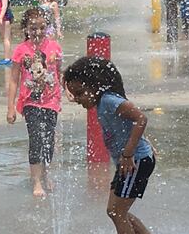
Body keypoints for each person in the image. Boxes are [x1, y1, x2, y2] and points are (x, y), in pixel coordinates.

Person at [64, 56, 155, 234]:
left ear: (95, 85)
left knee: (117, 212)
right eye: (74, 95)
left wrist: (129, 154)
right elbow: (129, 124)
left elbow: (140, 118)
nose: (77, 99)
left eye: (80, 93)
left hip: (134, 161)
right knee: (115, 211)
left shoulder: (109, 100)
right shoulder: (101, 102)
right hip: (129, 162)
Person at [6, 8, 63, 197]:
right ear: (26, 29)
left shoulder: (54, 47)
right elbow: (14, 80)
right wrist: (11, 107)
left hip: (51, 101)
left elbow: (59, 74)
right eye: (33, 28)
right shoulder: (21, 50)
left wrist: (68, 90)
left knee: (49, 141)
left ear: (46, 28)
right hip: (30, 101)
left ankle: (45, 174)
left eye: (41, 28)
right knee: (36, 140)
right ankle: (36, 181)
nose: (37, 32)